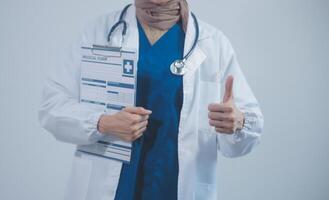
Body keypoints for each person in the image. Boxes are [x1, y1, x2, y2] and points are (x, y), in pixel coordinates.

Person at [38, 0, 264, 199]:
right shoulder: (99, 31)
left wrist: (238, 123)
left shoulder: (212, 43)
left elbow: (246, 134)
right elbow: (52, 106)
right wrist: (102, 122)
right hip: (113, 189)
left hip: (175, 188)